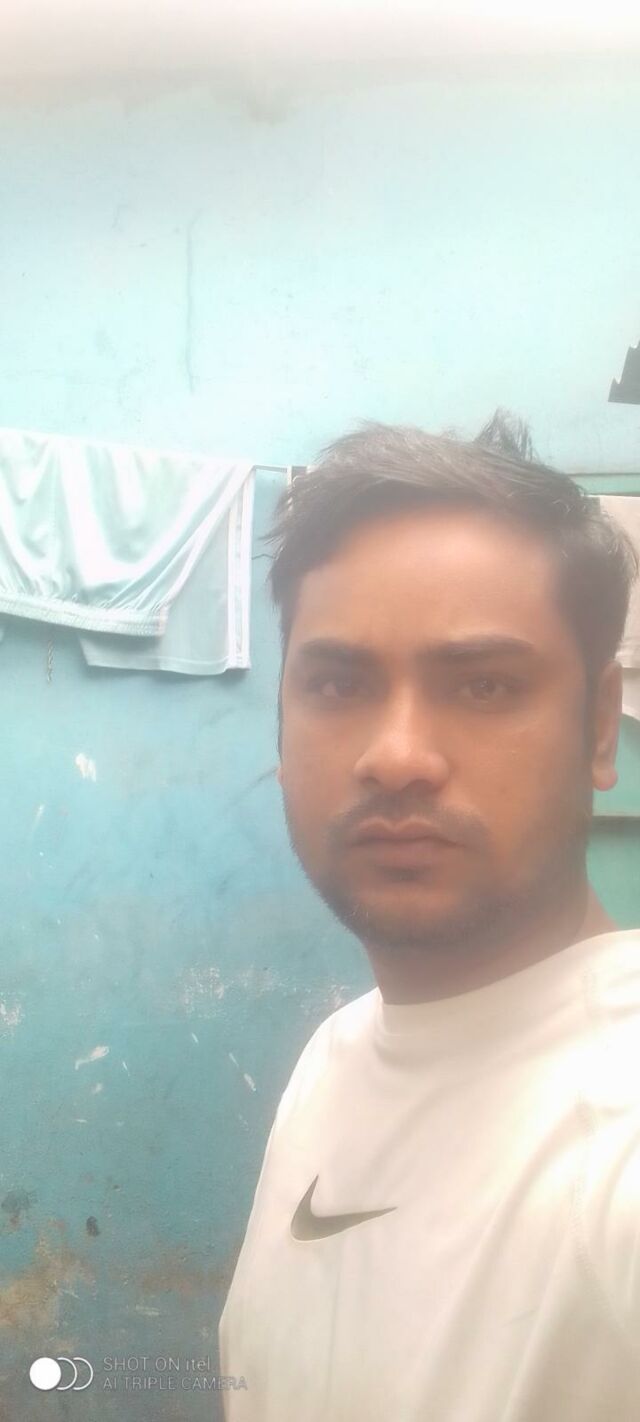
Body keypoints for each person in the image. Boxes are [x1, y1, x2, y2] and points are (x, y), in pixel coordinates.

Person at [218, 417, 640, 1421]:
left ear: (598, 727)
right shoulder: (335, 1055)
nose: (397, 756)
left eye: (483, 684)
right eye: (338, 683)